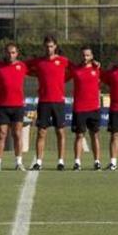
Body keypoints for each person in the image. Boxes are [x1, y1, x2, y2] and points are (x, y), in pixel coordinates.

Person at [26, 36, 72, 171]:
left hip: (58, 102)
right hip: (44, 102)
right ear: (43, 47)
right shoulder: (38, 61)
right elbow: (23, 66)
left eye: (51, 46)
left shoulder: (63, 61)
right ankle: (39, 162)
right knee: (41, 132)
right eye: (46, 46)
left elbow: (77, 69)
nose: (49, 48)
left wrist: (94, 64)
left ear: (55, 46)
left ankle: (61, 161)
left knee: (60, 132)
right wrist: (37, 74)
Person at [0, 43, 28, 171]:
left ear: (17, 53)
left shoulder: (22, 66)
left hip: (17, 106)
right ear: (5, 53)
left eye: (13, 52)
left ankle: (19, 162)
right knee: (1, 135)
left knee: (17, 134)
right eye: (8, 52)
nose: (10, 55)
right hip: (2, 106)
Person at [68, 47, 103, 171]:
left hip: (94, 108)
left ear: (92, 56)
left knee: (95, 135)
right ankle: (77, 162)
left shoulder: (97, 69)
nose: (85, 57)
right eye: (83, 55)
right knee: (79, 136)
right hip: (79, 108)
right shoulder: (75, 70)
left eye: (87, 55)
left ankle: (97, 161)